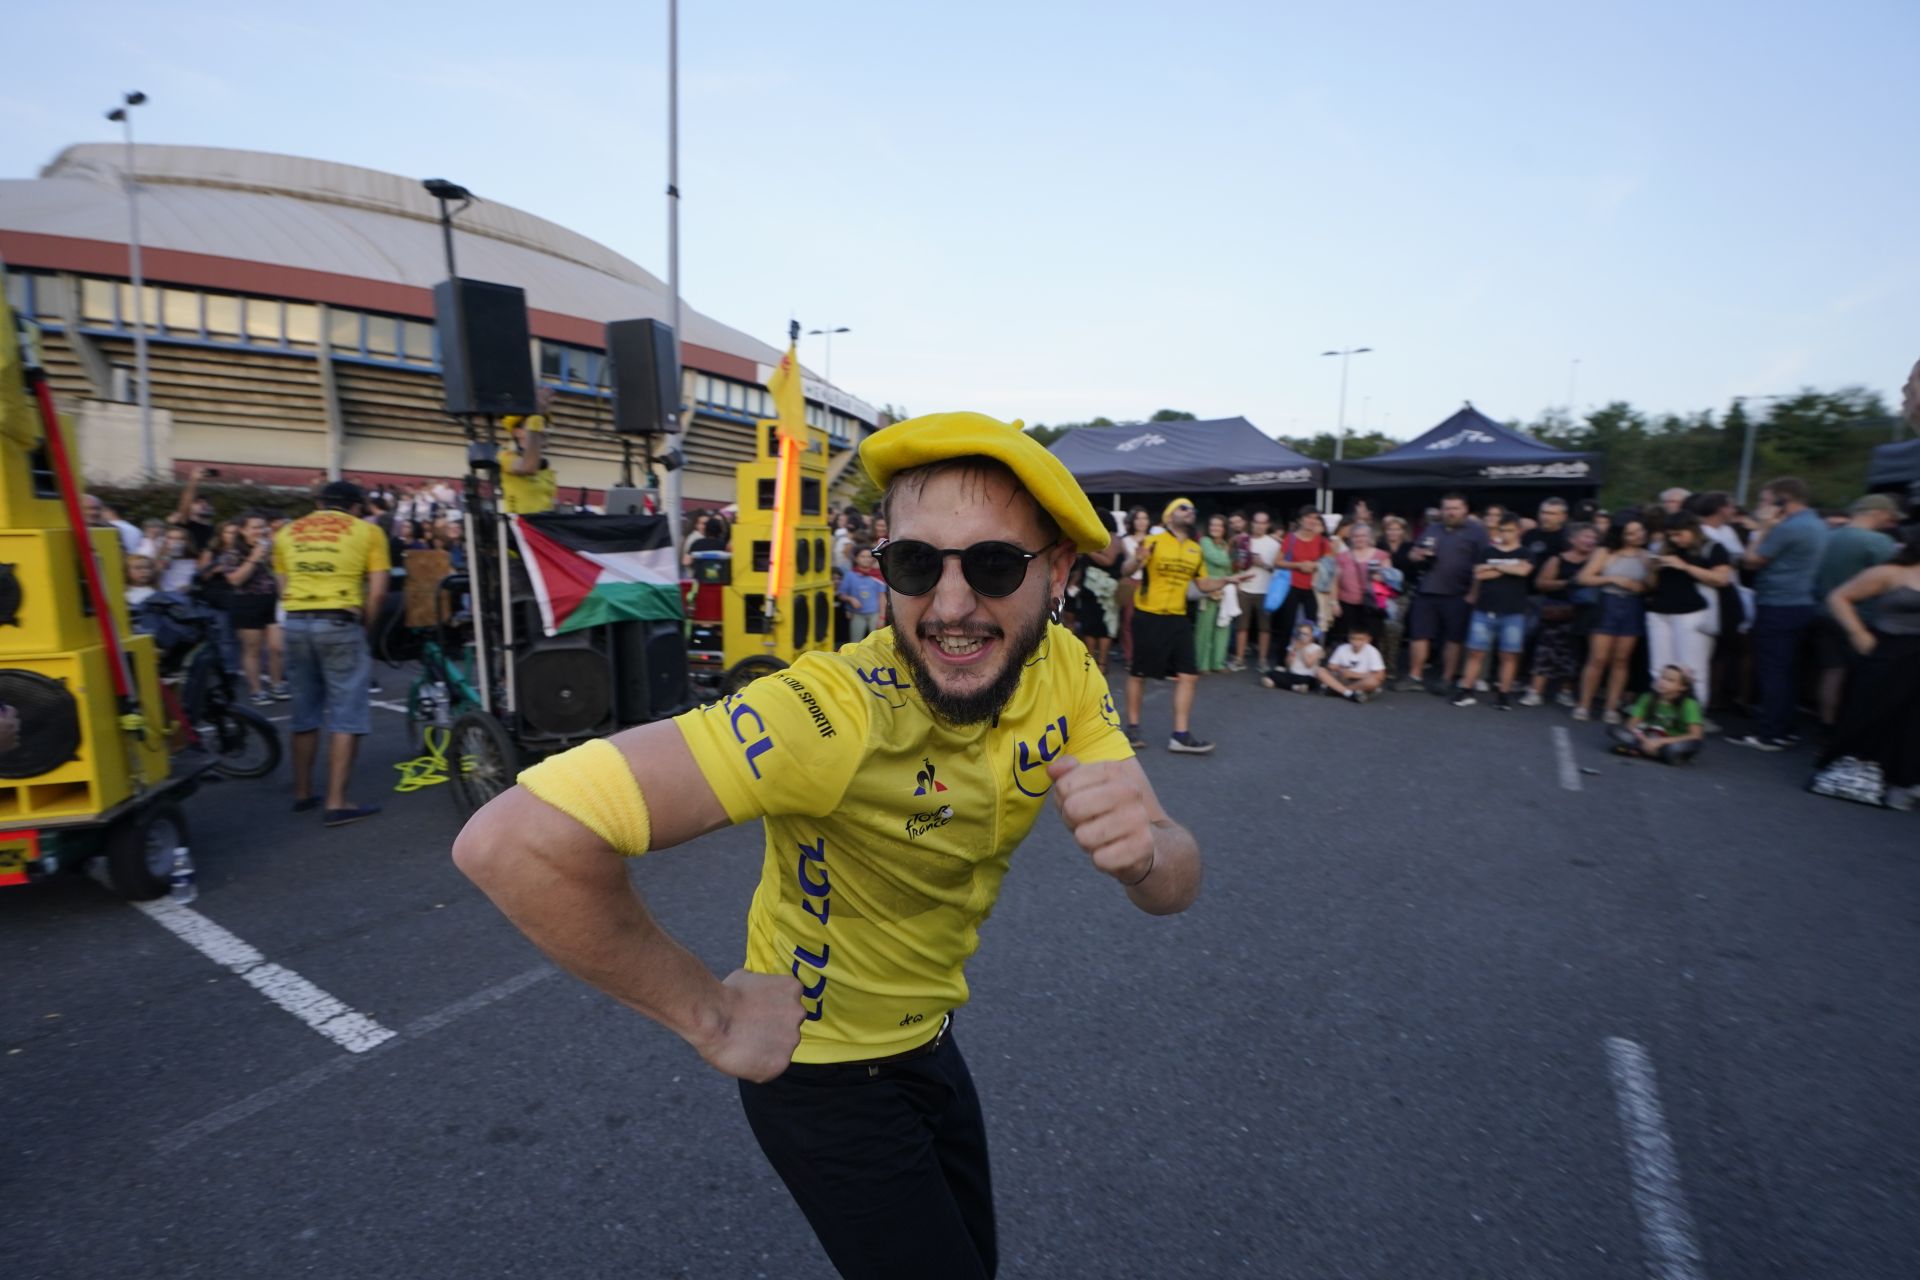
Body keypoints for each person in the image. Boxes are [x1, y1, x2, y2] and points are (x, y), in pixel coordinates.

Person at [452, 412, 1202, 1280]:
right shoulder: (828, 712)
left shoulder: (1064, 671)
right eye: (917, 564)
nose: (951, 607)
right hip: (823, 1077)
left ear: (1059, 571)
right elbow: (512, 843)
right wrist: (712, 1015)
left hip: (929, 1039)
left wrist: (1146, 856)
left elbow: (1174, 879)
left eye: (994, 564)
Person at [274, 481, 390, 826]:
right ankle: (337, 802)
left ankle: (303, 793)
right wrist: (365, 629)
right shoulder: (367, 532)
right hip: (340, 620)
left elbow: (283, 588)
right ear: (356, 506)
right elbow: (379, 591)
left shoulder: (287, 532)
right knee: (346, 715)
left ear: (318, 502)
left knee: (304, 711)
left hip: (295, 622)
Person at [1811, 527, 1920, 809]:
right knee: (1872, 713)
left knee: (1912, 723)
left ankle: (1902, 784)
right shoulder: (1891, 572)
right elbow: (1839, 598)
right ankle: (1859, 775)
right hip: (1888, 651)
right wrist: (1859, 634)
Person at [1729, 477, 1829, 751]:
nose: (1761, 505)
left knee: (1773, 671)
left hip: (1778, 604)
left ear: (1782, 500)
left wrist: (1763, 528)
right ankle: (1784, 729)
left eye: (1765, 500)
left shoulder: (1787, 528)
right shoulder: (1817, 524)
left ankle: (1769, 733)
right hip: (1802, 603)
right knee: (1789, 671)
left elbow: (1751, 560)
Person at [1122, 498, 1224, 753]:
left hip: (1178, 617)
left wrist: (1229, 580)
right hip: (1149, 615)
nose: (1190, 512)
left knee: (1189, 675)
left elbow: (1202, 585)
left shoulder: (1195, 549)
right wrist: (1137, 560)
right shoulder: (1153, 542)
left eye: (1192, 509)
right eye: (1183, 508)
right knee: (1139, 673)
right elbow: (1126, 569)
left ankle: (1180, 735)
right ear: (1169, 516)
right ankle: (1133, 728)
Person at [1809, 494, 1899, 730]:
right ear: (1877, 512)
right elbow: (1891, 581)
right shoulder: (1879, 543)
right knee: (1861, 678)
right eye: (1889, 517)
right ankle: (1850, 730)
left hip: (1825, 612)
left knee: (1832, 673)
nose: (1890, 523)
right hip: (1861, 619)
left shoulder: (1830, 535)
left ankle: (1825, 727)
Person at [1406, 493, 1489, 695]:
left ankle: (1446, 678)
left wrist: (1473, 593)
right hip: (1427, 590)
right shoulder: (1432, 528)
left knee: (1453, 639)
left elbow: (1483, 565)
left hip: (1458, 593)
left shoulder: (1477, 532)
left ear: (1465, 509)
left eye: (1455, 508)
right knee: (1419, 635)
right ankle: (1414, 676)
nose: (1451, 512)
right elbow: (1412, 553)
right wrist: (1416, 555)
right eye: (1447, 508)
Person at [1643, 510, 1731, 698]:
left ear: (1693, 530)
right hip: (1659, 611)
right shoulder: (1664, 548)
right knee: (1658, 669)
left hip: (1692, 613)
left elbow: (1722, 579)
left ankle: (1692, 718)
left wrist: (1685, 566)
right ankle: (1659, 714)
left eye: (1679, 534)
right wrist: (1652, 569)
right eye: (1671, 535)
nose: (1675, 539)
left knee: (1691, 670)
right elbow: (1651, 585)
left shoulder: (1712, 548)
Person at [1452, 516, 1536, 709]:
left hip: (1513, 611)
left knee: (1509, 655)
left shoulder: (1526, 552)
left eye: (1509, 530)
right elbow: (1479, 574)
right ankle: (1466, 690)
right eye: (1502, 530)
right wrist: (1510, 567)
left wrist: (1494, 566)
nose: (1505, 534)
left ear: (1518, 531)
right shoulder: (1487, 551)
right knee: (1475, 652)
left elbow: (1523, 572)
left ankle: (1503, 694)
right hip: (1484, 608)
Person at [1574, 516, 1650, 723]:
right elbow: (1583, 577)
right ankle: (1584, 704)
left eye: (1640, 531)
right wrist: (1612, 578)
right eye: (1632, 532)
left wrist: (1642, 585)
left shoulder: (1647, 555)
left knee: (1622, 659)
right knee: (1598, 658)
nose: (1638, 536)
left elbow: (1652, 585)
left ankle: (1611, 707)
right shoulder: (1606, 552)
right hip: (1607, 603)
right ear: (1621, 534)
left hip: (1633, 606)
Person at [215, 513, 288, 706]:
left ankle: (277, 684)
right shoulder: (232, 553)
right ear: (243, 530)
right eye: (255, 527)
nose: (260, 530)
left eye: (263, 526)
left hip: (272, 601)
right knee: (252, 649)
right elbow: (235, 580)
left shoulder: (270, 548)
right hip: (247, 602)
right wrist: (254, 557)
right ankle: (256, 690)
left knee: (277, 647)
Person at [1525, 521, 1595, 707]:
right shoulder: (1557, 559)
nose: (1590, 541)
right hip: (1557, 609)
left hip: (1583, 613)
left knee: (1574, 652)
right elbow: (1541, 583)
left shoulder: (1597, 560)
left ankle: (1566, 691)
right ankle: (1535, 691)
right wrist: (1567, 583)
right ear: (1573, 539)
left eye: (1593, 537)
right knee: (1546, 650)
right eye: (1586, 536)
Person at [1607, 664, 1705, 764]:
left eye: (1670, 680)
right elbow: (1631, 725)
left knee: (1678, 748)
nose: (1663, 682)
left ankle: (1641, 750)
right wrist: (1646, 740)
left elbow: (1695, 735)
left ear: (1682, 687)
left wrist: (1661, 742)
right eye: (1662, 677)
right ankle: (1653, 752)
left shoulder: (1689, 705)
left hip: (1672, 741)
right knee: (1615, 730)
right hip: (1649, 737)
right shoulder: (1648, 697)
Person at [1272, 506, 1329, 644]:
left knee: (1313, 622)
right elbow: (1277, 562)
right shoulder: (1290, 539)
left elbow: (1329, 563)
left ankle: (1311, 656)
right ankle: (1283, 659)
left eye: (1315, 518)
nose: (1312, 520)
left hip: (1313, 587)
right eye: (1308, 517)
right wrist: (1298, 565)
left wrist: (1314, 565)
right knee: (1288, 622)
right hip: (1292, 585)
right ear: (1301, 520)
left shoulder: (1321, 541)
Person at [1329, 521, 1391, 649]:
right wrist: (1334, 602)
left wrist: (1381, 578)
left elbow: (1390, 580)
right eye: (1356, 536)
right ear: (1351, 538)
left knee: (1372, 637)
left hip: (1372, 604)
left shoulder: (1381, 555)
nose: (1360, 539)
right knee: (1347, 638)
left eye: (1363, 536)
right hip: (1347, 603)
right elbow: (1334, 581)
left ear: (1369, 537)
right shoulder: (1342, 557)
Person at [497, 386, 559, 515]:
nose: (542, 429)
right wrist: (535, 417)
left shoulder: (545, 466)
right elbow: (528, 467)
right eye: (533, 424)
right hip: (520, 529)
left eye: (544, 425)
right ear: (517, 432)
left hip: (541, 528)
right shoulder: (505, 457)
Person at [1233, 509, 1280, 675]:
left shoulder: (1274, 544)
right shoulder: (1243, 541)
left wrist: (1262, 564)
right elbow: (1234, 563)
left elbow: (1279, 570)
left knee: (1264, 628)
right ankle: (1239, 659)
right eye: (1257, 522)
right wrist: (1239, 570)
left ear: (1267, 525)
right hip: (1244, 587)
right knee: (1241, 626)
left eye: (1263, 523)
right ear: (1252, 523)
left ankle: (1262, 660)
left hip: (1265, 590)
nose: (1259, 526)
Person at [1194, 514, 1236, 674]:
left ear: (1224, 529)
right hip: (1206, 589)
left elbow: (1231, 568)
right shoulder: (1205, 542)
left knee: (1222, 627)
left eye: (1219, 525)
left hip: (1224, 591)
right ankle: (1202, 664)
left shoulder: (1226, 545)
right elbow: (1220, 560)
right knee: (1204, 629)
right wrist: (1229, 554)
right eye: (1213, 525)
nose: (1215, 528)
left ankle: (1218, 663)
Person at [1116, 506, 1152, 668]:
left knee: (1148, 621)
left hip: (1150, 584)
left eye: (1144, 518)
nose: (1141, 522)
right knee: (1129, 622)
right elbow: (1126, 565)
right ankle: (1131, 657)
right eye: (1138, 518)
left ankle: (1146, 655)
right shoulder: (1125, 540)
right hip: (1131, 582)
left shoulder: (1154, 539)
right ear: (1132, 521)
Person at [1316, 622, 1386, 702]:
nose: (1356, 642)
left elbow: (1381, 675)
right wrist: (1341, 670)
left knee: (1373, 682)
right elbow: (1331, 665)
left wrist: (1354, 674)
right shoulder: (1342, 648)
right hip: (1342, 678)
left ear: (1368, 639)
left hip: (1359, 681)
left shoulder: (1372, 651)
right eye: (1353, 638)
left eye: (1360, 639)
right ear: (1349, 638)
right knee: (1320, 671)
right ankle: (1350, 694)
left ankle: (1338, 690)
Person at [837, 547, 886, 642]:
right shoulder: (850, 575)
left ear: (873, 558)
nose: (866, 559)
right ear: (856, 559)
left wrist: (882, 617)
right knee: (855, 643)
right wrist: (850, 599)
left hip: (875, 614)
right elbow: (841, 594)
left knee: (877, 642)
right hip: (856, 614)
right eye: (862, 556)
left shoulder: (878, 575)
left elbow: (882, 597)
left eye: (869, 556)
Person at [1260, 622, 1323, 692]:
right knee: (1272, 673)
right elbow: (1288, 664)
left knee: (1309, 682)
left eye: (1305, 634)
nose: (1302, 637)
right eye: (1300, 634)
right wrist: (1293, 652)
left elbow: (1308, 664)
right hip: (1293, 675)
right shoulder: (1294, 645)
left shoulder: (1317, 648)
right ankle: (1294, 687)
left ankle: (1277, 683)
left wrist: (1302, 649)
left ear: (1312, 636)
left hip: (1306, 676)